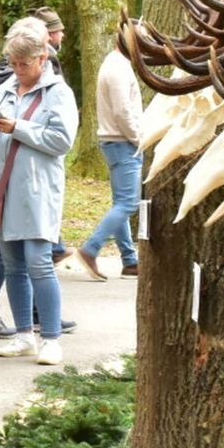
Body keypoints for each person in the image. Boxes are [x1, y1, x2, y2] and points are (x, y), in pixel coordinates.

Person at [0, 17, 78, 365]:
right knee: (13, 265)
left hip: (36, 191)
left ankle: (50, 338)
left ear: (42, 59)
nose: (18, 70)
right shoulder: (5, 89)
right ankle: (23, 335)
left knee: (39, 263)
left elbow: (61, 141)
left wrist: (17, 126)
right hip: (3, 190)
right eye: (13, 64)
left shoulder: (58, 93)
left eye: (24, 63)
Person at [78, 38, 143, 279]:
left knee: (121, 202)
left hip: (117, 141)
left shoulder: (117, 64)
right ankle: (90, 249)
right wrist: (138, 138)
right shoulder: (117, 68)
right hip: (122, 142)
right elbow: (122, 111)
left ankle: (129, 260)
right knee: (128, 202)